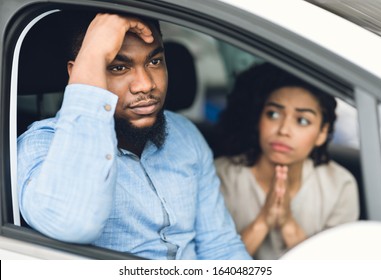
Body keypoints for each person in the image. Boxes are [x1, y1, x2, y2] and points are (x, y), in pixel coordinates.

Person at [17, 13, 251, 260]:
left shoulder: (185, 134)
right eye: (118, 67)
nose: (146, 84)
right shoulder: (39, 147)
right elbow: (74, 223)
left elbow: (220, 247)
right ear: (80, 72)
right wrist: (93, 55)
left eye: (154, 62)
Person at [214, 63, 359, 259]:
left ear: (322, 133)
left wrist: (288, 224)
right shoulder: (221, 175)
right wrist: (263, 221)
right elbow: (214, 268)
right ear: (259, 120)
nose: (283, 130)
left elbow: (333, 272)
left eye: (302, 120)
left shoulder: (340, 185)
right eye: (273, 114)